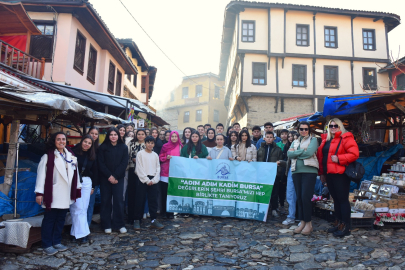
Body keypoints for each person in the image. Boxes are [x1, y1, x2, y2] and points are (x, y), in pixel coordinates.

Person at [35, 132, 81, 255]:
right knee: (50, 219)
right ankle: (47, 244)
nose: (61, 141)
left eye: (63, 139)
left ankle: (57, 241)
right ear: (54, 141)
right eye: (58, 139)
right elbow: (41, 175)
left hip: (66, 193)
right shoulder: (48, 156)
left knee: (61, 219)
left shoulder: (70, 155)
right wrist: (39, 192)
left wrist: (77, 188)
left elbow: (75, 173)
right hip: (53, 193)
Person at [317, 118, 359, 238]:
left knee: (342, 200)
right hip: (329, 173)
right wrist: (322, 173)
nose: (333, 128)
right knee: (335, 199)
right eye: (331, 126)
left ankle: (346, 226)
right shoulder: (326, 139)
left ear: (340, 126)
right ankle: (339, 223)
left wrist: (340, 159)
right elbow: (322, 158)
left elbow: (354, 154)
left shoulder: (346, 138)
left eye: (336, 126)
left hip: (340, 174)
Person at [287, 121, 319, 236]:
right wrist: (300, 152)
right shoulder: (295, 141)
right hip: (296, 171)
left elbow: (309, 153)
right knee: (299, 197)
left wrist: (295, 153)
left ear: (309, 130)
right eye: (301, 129)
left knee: (306, 197)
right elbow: (289, 155)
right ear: (298, 130)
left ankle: (308, 223)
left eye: (306, 129)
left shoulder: (313, 140)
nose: (304, 131)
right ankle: (302, 222)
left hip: (309, 171)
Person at [98, 127, 128, 234]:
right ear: (108, 136)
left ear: (118, 136)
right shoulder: (103, 147)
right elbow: (101, 163)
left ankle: (119, 224)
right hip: (105, 179)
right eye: (111, 134)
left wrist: (115, 176)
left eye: (115, 134)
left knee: (118, 201)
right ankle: (106, 224)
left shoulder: (123, 147)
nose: (113, 137)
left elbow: (124, 163)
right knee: (105, 201)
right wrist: (109, 176)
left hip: (118, 179)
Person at [71, 135, 97, 244]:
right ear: (82, 141)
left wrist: (93, 186)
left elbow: (95, 172)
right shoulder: (73, 153)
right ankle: (84, 234)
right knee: (77, 208)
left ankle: (75, 233)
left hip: (87, 182)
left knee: (83, 208)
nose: (86, 144)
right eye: (85, 142)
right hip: (74, 181)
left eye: (89, 143)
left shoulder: (92, 155)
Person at [134, 136, 164, 230]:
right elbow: (139, 168)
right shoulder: (140, 154)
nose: (150, 144)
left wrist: (154, 180)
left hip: (153, 179)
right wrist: (146, 180)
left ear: (154, 144)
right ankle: (137, 220)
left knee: (153, 201)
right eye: (148, 142)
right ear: (145, 143)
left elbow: (158, 168)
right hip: (143, 179)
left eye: (152, 143)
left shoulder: (155, 155)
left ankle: (153, 220)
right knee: (140, 200)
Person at [257, 131, 283, 218]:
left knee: (274, 192)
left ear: (274, 139)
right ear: (264, 138)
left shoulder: (278, 149)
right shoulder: (260, 149)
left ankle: (274, 209)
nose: (269, 138)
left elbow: (280, 162)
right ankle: (263, 208)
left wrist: (277, 174)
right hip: (262, 174)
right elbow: (257, 161)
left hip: (273, 174)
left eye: (271, 137)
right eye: (267, 137)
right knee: (263, 191)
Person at [159, 131, 182, 219]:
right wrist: (166, 158)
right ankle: (164, 211)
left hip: (175, 174)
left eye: (176, 136)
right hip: (165, 173)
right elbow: (160, 157)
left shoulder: (180, 147)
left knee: (172, 193)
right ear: (169, 137)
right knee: (164, 193)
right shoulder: (165, 146)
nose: (174, 138)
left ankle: (171, 211)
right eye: (172, 136)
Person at [127, 129, 146, 224]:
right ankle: (131, 216)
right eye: (139, 134)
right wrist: (133, 159)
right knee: (131, 194)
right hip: (132, 170)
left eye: (142, 134)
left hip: (143, 172)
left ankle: (139, 216)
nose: (140, 136)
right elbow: (128, 155)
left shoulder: (147, 145)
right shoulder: (131, 144)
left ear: (145, 135)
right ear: (136, 134)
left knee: (140, 195)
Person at [279, 131, 299, 225]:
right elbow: (287, 161)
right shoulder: (287, 147)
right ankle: (291, 216)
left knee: (299, 195)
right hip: (290, 171)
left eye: (293, 136)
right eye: (290, 136)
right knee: (290, 195)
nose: (291, 138)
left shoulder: (299, 146)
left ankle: (300, 216)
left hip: (299, 170)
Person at [87, 127, 99, 226]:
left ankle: (87, 225)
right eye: (92, 133)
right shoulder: (82, 147)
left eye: (96, 134)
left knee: (90, 204)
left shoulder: (99, 148)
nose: (94, 135)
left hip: (94, 180)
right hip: (82, 180)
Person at [276, 129, 289, 211]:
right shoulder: (277, 144)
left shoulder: (290, 144)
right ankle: (280, 203)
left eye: (286, 134)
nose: (284, 135)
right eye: (282, 134)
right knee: (280, 186)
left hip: (287, 166)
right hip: (279, 167)